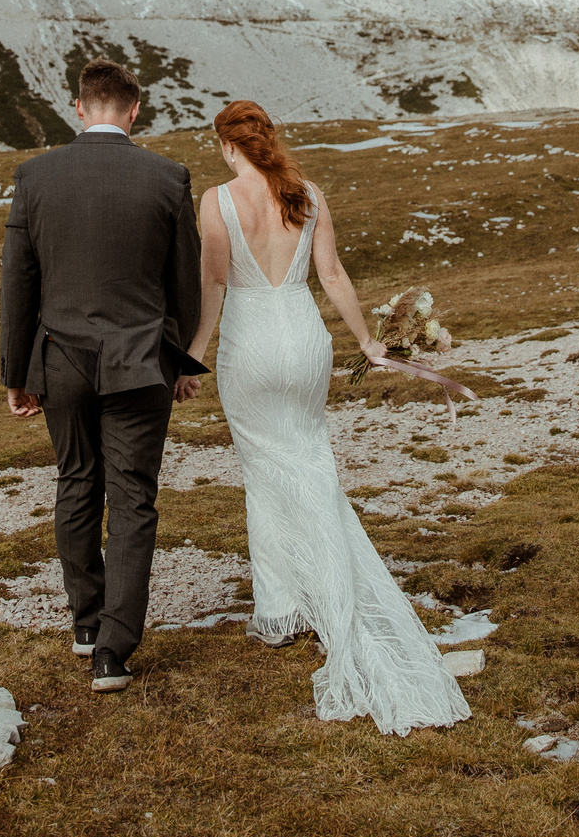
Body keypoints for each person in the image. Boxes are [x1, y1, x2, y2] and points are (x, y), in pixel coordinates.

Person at [191, 99, 471, 735]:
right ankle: (316, 589)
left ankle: (282, 609)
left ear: (228, 145)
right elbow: (334, 275)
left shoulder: (216, 200)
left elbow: (212, 285)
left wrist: (192, 357)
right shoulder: (306, 194)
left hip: (250, 345)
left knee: (265, 472)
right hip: (305, 338)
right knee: (310, 459)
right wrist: (368, 340)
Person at [0, 59, 204, 694]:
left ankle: (85, 622)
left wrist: (16, 372)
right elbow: (185, 286)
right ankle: (113, 651)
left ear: (80, 108)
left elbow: (18, 284)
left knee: (76, 480)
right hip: (141, 360)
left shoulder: (34, 176)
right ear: (135, 110)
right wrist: (180, 361)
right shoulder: (168, 178)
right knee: (134, 499)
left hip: (61, 358)